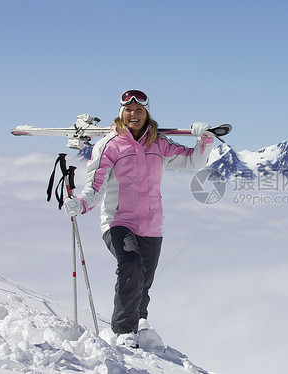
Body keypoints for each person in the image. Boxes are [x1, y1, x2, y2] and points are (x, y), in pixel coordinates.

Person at [64, 89, 214, 347]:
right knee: (131, 263)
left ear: (147, 113)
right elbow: (96, 185)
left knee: (144, 278)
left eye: (139, 110)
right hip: (118, 222)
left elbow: (192, 161)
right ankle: (123, 331)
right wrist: (81, 204)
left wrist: (205, 141)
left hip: (152, 225)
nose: (134, 114)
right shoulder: (109, 145)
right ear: (121, 113)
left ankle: (139, 321)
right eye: (129, 110)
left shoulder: (159, 144)